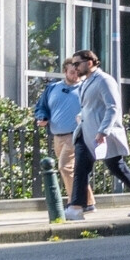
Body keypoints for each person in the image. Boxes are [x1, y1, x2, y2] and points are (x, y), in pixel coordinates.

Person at [65, 50, 130, 220]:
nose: (74, 68)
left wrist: (103, 131)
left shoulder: (104, 80)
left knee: (116, 167)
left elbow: (113, 107)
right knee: (80, 169)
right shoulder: (86, 81)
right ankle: (75, 208)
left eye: (77, 64)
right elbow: (90, 107)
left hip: (100, 134)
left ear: (89, 62)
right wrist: (82, 117)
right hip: (85, 132)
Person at [33, 59, 84, 207]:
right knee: (73, 170)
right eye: (72, 72)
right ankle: (88, 202)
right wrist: (43, 117)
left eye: (78, 72)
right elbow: (41, 107)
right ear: (65, 72)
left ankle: (75, 203)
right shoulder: (52, 88)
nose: (75, 75)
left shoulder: (84, 88)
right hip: (57, 136)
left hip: (75, 134)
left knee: (65, 167)